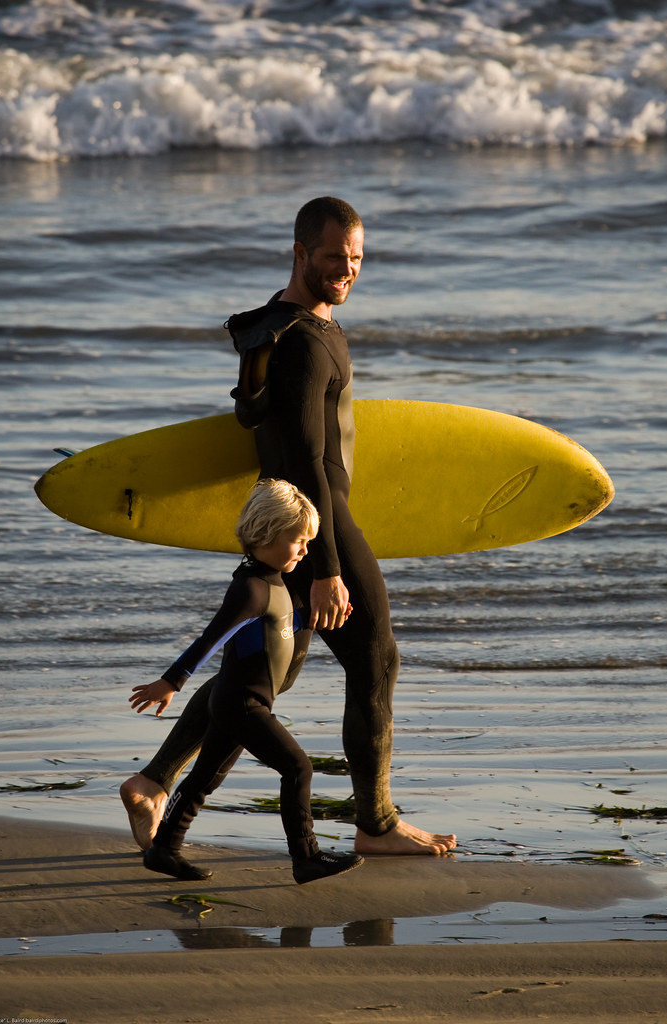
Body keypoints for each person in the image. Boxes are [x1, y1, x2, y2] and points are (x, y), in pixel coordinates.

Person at [121, 196, 456, 857]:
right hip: (314, 524)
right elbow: (306, 456)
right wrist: (325, 565)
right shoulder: (302, 341)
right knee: (375, 661)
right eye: (334, 256)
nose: (348, 268)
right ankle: (376, 824)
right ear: (300, 252)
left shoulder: (278, 329)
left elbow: (260, 426)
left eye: (357, 257)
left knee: (271, 670)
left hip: (288, 526)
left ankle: (154, 782)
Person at [140, 478, 364, 884]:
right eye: (299, 540)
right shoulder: (249, 588)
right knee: (298, 767)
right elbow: (212, 638)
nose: (305, 550)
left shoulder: (275, 581)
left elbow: (275, 627)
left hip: (246, 702)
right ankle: (306, 856)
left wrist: (308, 620)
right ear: (267, 533)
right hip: (242, 703)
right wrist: (172, 682)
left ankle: (164, 850)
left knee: (206, 777)